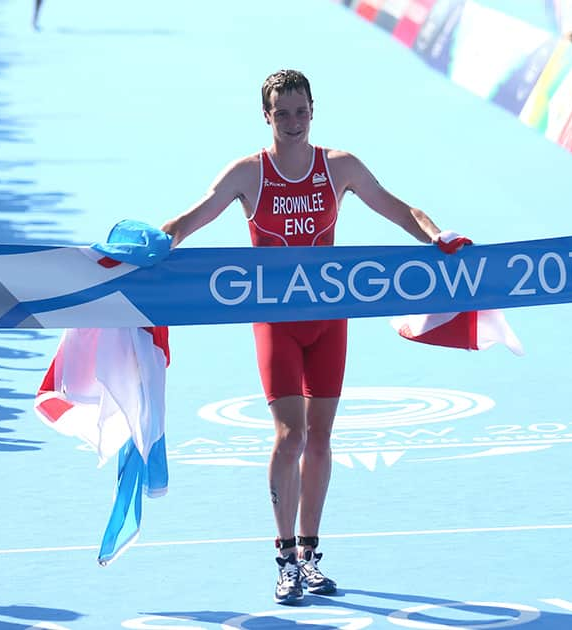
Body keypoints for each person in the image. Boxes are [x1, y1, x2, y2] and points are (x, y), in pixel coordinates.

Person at [159, 69, 469, 604]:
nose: (294, 122)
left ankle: (310, 554)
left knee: (321, 439)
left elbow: (399, 210)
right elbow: (188, 222)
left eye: (301, 111)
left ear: (313, 111)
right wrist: (147, 245)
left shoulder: (340, 167)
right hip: (276, 321)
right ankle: (283, 558)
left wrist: (436, 234)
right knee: (290, 436)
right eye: (283, 113)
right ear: (266, 116)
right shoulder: (247, 174)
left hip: (331, 318)